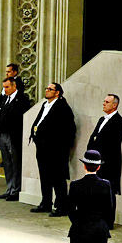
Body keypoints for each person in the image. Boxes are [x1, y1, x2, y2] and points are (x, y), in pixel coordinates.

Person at [28, 81, 75, 216]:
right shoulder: (45, 105)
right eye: (46, 88)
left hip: (56, 150)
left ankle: (61, 206)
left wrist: (58, 144)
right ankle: (46, 202)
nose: (47, 90)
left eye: (50, 89)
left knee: (58, 178)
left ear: (57, 92)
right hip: (42, 147)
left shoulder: (62, 107)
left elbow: (68, 129)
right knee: (44, 176)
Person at [0, 76, 30, 200]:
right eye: (4, 87)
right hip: (3, 134)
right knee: (7, 163)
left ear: (14, 87)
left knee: (15, 163)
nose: (5, 90)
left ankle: (16, 189)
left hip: (14, 135)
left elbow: (20, 118)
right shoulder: (5, 99)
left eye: (7, 87)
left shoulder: (22, 100)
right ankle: (9, 188)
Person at [86, 93, 122, 199]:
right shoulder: (102, 119)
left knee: (108, 193)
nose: (103, 104)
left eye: (107, 102)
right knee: (95, 192)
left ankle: (108, 216)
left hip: (108, 163)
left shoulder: (119, 122)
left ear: (114, 105)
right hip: (96, 162)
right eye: (104, 101)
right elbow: (93, 137)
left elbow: (111, 144)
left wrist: (100, 159)